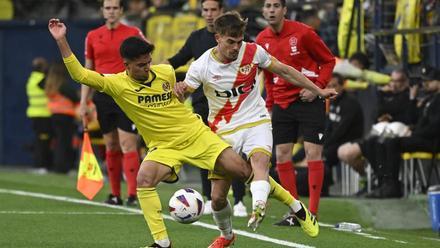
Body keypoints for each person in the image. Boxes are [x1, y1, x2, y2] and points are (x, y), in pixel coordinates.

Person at [174, 11, 337, 247]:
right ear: (217, 38)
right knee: (218, 198)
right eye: (230, 42)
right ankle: (227, 235)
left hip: (255, 119)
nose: (235, 47)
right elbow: (184, 93)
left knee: (259, 161)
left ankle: (259, 205)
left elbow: (286, 71)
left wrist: (319, 90)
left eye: (239, 41)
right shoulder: (201, 66)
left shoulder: (252, 51)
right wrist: (179, 92)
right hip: (222, 129)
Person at [256, 0, 335, 223]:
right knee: (281, 155)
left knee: (313, 153)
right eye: (267, 6)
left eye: (275, 6)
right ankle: (296, 211)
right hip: (282, 103)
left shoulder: (304, 33)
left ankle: (313, 212)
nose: (271, 10)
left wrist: (317, 89)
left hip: (308, 100)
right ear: (263, 10)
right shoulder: (262, 40)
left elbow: (328, 61)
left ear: (284, 10)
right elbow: (268, 76)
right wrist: (270, 104)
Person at [166, 0, 247, 217]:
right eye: (206, 10)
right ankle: (209, 196)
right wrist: (153, 72)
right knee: (204, 153)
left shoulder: (236, 41)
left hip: (230, 105)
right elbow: (175, 61)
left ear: (222, 13)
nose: (209, 14)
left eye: (214, 10)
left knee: (234, 153)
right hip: (203, 105)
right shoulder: (196, 38)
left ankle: (239, 200)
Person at [80, 0, 145, 206]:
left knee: (128, 143)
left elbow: (146, 59)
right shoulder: (92, 36)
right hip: (103, 95)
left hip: (126, 94)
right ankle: (115, 194)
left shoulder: (133, 32)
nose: (111, 11)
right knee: (111, 144)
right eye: (107, 8)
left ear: (121, 11)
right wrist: (83, 101)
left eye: (115, 8)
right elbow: (87, 70)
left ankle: (133, 195)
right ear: (102, 11)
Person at [44, 62, 79, 174]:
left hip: (54, 115)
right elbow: (75, 97)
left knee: (59, 142)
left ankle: (58, 165)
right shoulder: (63, 86)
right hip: (65, 116)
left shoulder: (50, 85)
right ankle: (62, 167)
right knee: (65, 143)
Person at [26, 57, 52, 173]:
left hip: (35, 114)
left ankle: (39, 165)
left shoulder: (31, 79)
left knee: (39, 140)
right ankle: (42, 165)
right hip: (43, 114)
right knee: (43, 141)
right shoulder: (42, 79)